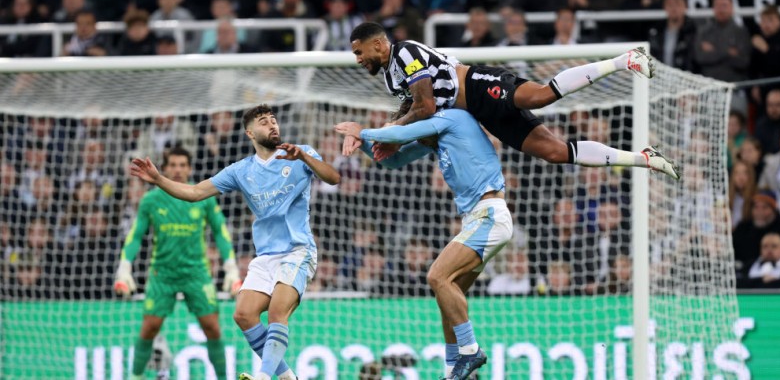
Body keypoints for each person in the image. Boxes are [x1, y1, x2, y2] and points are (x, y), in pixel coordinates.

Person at [130, 105, 340, 380]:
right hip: (266, 256)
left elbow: (333, 178)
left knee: (278, 311)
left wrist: (304, 158)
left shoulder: (300, 153)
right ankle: (288, 378)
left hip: (297, 251)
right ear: (250, 132)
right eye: (264, 122)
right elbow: (194, 192)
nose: (272, 125)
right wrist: (158, 179)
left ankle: (264, 377)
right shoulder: (241, 171)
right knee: (243, 314)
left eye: (274, 120)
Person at [347, 22, 680, 180]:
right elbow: (414, 112)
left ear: (378, 44)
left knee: (541, 95)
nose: (359, 60)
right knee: (554, 152)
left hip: (478, 86)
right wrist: (394, 139)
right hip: (479, 111)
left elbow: (426, 107)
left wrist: (389, 131)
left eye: (360, 52)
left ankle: (624, 60)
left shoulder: (405, 53)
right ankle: (644, 158)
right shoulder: (392, 76)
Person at [335, 107, 515, 380]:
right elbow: (391, 160)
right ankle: (454, 369)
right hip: (475, 220)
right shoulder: (436, 141)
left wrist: (362, 130)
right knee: (448, 293)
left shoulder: (452, 118)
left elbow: (400, 133)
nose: (417, 142)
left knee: (437, 276)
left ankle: (471, 350)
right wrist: (365, 145)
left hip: (489, 215)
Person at [116, 147, 240, 380]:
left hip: (196, 273)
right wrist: (124, 269)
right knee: (149, 328)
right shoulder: (151, 200)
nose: (178, 169)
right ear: (165, 168)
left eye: (183, 165)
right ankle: (135, 376)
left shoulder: (203, 197)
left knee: (212, 328)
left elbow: (221, 232)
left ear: (190, 168)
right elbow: (135, 235)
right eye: (173, 164)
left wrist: (231, 269)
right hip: (163, 274)